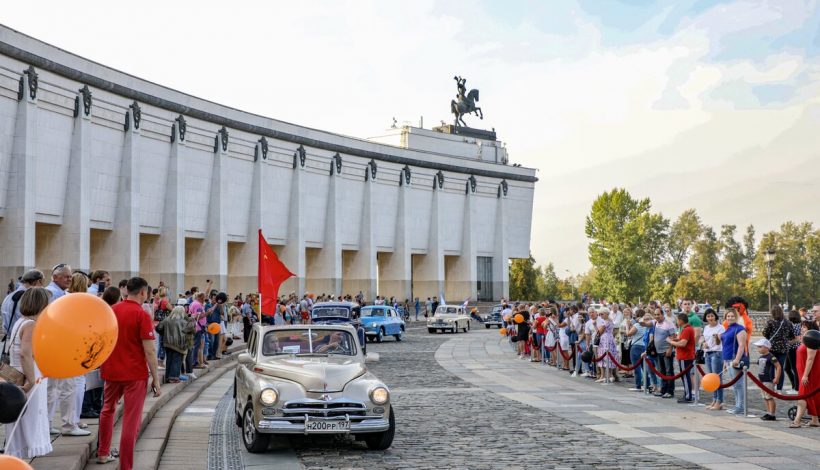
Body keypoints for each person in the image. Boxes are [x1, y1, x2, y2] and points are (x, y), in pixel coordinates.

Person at [97, 277, 161, 469]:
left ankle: (102, 452)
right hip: (134, 373)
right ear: (143, 292)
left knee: (107, 410)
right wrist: (156, 379)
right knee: (130, 421)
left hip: (111, 370)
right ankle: (126, 466)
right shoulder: (141, 315)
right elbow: (150, 351)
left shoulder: (112, 311)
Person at [3, 287, 53, 459]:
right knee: (32, 415)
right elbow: (25, 353)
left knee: (20, 417)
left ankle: (18, 450)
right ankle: (29, 448)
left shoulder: (20, 322)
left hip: (17, 374)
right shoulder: (31, 325)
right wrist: (31, 381)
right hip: (29, 374)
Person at [790, 322, 819, 428]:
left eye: (804, 327)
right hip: (804, 372)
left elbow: (810, 359)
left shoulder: (812, 339)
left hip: (808, 373)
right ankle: (815, 420)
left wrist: (805, 375)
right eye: (802, 327)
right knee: (810, 396)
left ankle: (797, 420)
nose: (802, 329)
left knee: (802, 396)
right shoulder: (806, 339)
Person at [156, 306, 195, 383]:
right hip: (179, 344)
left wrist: (164, 333)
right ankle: (173, 377)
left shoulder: (166, 320)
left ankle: (168, 376)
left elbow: (158, 328)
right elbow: (192, 330)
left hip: (167, 343)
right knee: (177, 360)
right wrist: (191, 320)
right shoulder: (184, 322)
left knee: (169, 360)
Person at [1, 269, 44, 338]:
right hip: (23, 339)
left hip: (10, 339)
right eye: (42, 283)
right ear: (39, 281)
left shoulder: (8, 297)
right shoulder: (28, 298)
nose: (42, 287)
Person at [721, 308, 748, 415]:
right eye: (728, 316)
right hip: (728, 359)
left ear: (736, 317)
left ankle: (740, 406)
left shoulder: (740, 329)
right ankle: (737, 405)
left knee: (738, 384)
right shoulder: (728, 328)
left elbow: (741, 345)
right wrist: (724, 362)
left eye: (732, 316)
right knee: (735, 385)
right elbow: (725, 345)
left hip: (735, 360)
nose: (730, 318)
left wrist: (737, 359)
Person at [762, 306, 794, 392]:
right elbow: (791, 336)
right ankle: (779, 389)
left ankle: (771, 386)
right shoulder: (788, 323)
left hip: (772, 348)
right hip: (783, 349)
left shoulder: (771, 322)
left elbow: (765, 333)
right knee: (780, 368)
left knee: (771, 367)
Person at [666, 313, 695, 403]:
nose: (677, 322)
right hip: (685, 356)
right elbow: (682, 340)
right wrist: (676, 339)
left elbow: (683, 344)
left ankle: (688, 396)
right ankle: (687, 394)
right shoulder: (686, 329)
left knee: (685, 377)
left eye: (677, 320)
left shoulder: (687, 330)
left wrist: (670, 341)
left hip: (685, 356)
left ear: (681, 320)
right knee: (685, 377)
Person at [701, 308, 725, 410]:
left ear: (715, 316)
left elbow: (720, 343)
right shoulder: (706, 328)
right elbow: (703, 339)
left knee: (716, 378)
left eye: (711, 316)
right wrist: (703, 343)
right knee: (711, 378)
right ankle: (714, 399)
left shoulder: (721, 328)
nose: (710, 318)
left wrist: (717, 338)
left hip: (717, 353)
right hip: (708, 353)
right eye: (708, 316)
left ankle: (719, 400)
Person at [753, 338, 781, 421]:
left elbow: (778, 366)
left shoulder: (771, 357)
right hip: (762, 380)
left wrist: (777, 377)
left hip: (768, 380)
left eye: (760, 347)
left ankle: (772, 414)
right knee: (765, 397)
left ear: (766, 347)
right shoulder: (761, 357)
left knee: (769, 397)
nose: (758, 348)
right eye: (758, 347)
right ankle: (768, 412)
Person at [653, 308, 677, 398]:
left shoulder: (669, 324)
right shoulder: (656, 323)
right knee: (662, 371)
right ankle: (663, 390)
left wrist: (670, 348)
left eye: (658, 314)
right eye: (655, 315)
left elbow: (673, 337)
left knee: (669, 371)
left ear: (662, 314)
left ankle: (670, 391)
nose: (656, 316)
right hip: (659, 351)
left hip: (666, 351)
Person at [625, 309, 648, 391]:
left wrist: (627, 326)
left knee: (636, 367)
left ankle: (638, 385)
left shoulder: (638, 325)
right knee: (644, 367)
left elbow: (628, 334)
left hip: (636, 347)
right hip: (644, 346)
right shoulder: (647, 325)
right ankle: (647, 385)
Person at [596, 309, 618, 384]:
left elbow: (600, 331)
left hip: (605, 339)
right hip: (610, 338)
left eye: (601, 314)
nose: (600, 315)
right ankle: (610, 375)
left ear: (606, 314)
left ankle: (603, 376)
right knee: (610, 356)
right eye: (599, 314)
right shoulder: (611, 320)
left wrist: (595, 326)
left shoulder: (605, 322)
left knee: (603, 356)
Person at [785, 310, 803, 393]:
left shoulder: (792, 325)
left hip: (793, 349)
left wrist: (787, 343)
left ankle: (796, 388)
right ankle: (794, 386)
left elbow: (797, 339)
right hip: (795, 348)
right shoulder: (799, 324)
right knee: (787, 368)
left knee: (793, 368)